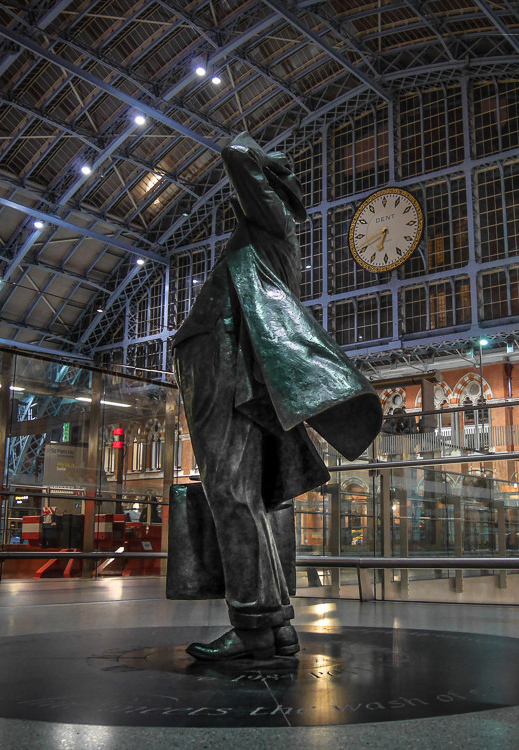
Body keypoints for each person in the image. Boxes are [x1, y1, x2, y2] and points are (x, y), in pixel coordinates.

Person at [170, 132, 382, 661]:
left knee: (230, 495)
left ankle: (252, 625)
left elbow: (235, 153)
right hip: (229, 372)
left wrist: (264, 161)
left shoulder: (273, 226)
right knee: (249, 497)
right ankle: (273, 625)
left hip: (227, 371)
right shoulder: (264, 241)